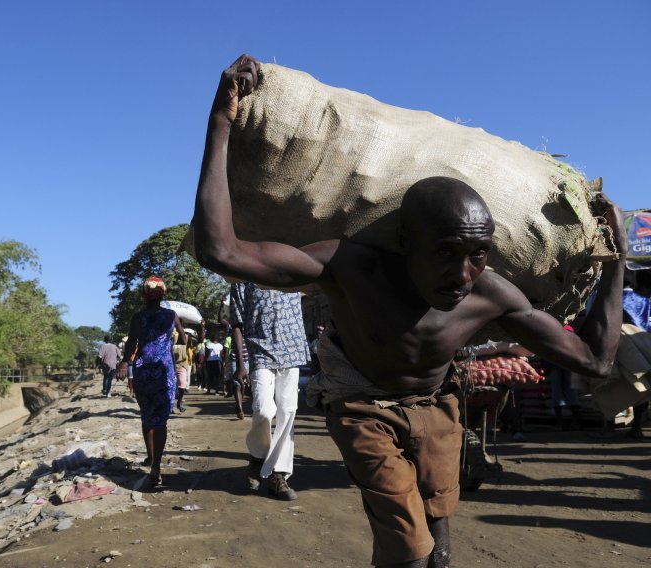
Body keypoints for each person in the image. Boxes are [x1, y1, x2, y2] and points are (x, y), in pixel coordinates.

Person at [192, 55, 628, 567]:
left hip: (438, 407)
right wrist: (221, 123)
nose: (463, 275)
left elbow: (596, 360)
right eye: (444, 253)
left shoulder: (491, 295)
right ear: (404, 243)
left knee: (439, 546)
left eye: (478, 253)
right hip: (362, 407)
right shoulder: (351, 267)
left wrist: (615, 257)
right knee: (410, 552)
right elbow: (220, 251)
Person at [230, 282, 310, 501]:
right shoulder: (241, 280)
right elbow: (236, 323)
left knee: (287, 411)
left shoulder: (290, 273)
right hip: (259, 351)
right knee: (264, 409)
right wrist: (240, 363)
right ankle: (257, 455)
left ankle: (278, 475)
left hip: (292, 351)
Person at [117, 276, 185, 486]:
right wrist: (170, 339)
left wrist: (125, 363)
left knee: (147, 416)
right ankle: (156, 465)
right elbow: (183, 339)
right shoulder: (171, 316)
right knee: (161, 420)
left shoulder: (138, 317)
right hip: (164, 371)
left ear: (142, 295)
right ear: (164, 294)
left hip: (143, 370)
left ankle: (150, 456)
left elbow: (132, 344)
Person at [623, 270, 651, 437]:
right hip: (645, 347)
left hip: (633, 350)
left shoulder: (626, 299)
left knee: (638, 388)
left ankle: (636, 427)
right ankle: (636, 427)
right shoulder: (643, 299)